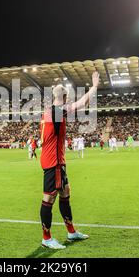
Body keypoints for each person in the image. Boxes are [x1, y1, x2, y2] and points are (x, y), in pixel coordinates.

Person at [39, 71, 99, 249]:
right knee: (49, 199)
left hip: (57, 161)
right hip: (53, 162)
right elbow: (82, 103)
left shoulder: (49, 111)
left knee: (65, 192)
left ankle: (71, 232)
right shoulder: (57, 111)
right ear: (64, 97)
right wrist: (94, 86)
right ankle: (46, 238)